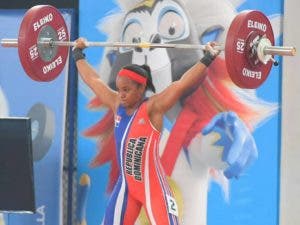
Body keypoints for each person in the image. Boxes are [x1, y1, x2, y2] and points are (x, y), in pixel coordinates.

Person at [72, 38, 220, 225]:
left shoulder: (153, 108)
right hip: (126, 187)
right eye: (119, 89)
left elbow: (182, 84)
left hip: (154, 188)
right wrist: (78, 54)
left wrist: (208, 58)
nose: (121, 94)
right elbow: (94, 81)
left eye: (126, 89)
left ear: (141, 88)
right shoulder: (117, 103)